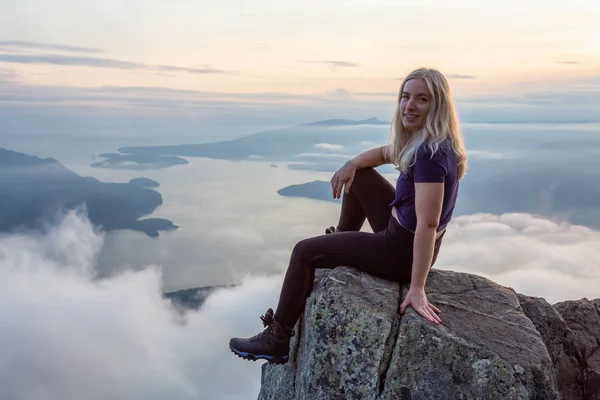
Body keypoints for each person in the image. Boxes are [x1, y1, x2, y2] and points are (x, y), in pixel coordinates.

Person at [229, 67, 468, 365]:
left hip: (402, 252)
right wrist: (351, 163)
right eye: (405, 97)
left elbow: (428, 224)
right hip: (401, 233)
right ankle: (341, 240)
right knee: (361, 176)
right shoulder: (426, 139)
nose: (409, 105)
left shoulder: (430, 154)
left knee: (304, 251)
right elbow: (385, 153)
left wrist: (417, 288)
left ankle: (277, 339)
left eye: (422, 99)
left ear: (438, 105)